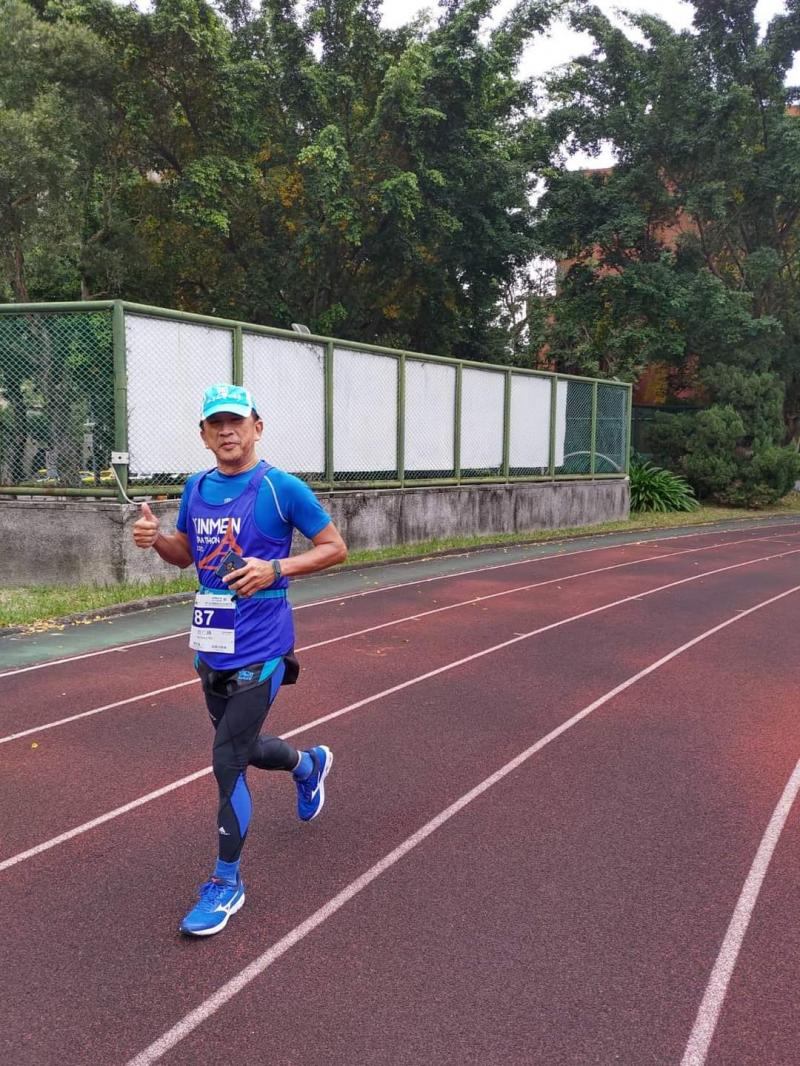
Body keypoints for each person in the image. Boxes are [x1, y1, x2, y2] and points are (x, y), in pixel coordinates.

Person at [132, 383, 347, 936]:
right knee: (244, 747)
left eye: (236, 421)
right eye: (216, 424)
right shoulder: (196, 488)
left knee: (226, 759)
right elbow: (186, 556)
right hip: (211, 645)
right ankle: (308, 766)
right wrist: (156, 540)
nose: (226, 431)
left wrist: (276, 569)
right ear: (204, 435)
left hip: (263, 646)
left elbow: (335, 547)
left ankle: (226, 882)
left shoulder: (281, 488)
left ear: (257, 427)